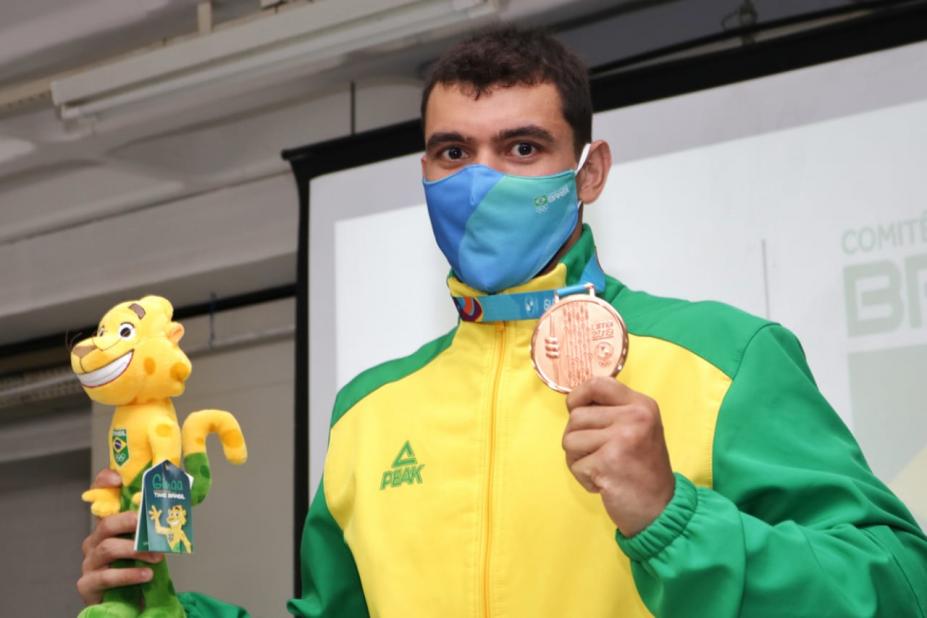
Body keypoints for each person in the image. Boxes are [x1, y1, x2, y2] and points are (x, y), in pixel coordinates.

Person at [79, 26, 927, 617]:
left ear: (588, 172)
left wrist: (674, 516)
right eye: (453, 153)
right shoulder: (367, 413)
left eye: (521, 149)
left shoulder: (725, 355)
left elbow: (897, 589)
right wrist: (165, 611)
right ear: (423, 169)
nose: (479, 182)